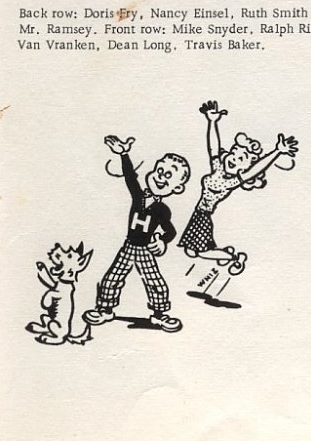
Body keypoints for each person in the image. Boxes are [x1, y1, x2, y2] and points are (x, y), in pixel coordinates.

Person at [83, 135, 190, 333]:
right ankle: (105, 309)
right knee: (112, 278)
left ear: (177, 187)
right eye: (160, 171)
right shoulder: (139, 197)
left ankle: (160, 315)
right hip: (129, 246)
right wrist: (124, 154)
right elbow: (130, 178)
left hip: (145, 250)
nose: (161, 177)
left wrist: (163, 242)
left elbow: (171, 231)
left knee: (155, 283)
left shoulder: (162, 210)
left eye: (168, 176)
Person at [178, 101, 298, 276]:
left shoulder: (231, 182)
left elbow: (256, 170)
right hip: (197, 214)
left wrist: (277, 151)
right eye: (234, 152)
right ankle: (225, 254)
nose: (234, 157)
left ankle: (233, 259)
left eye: (241, 158)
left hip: (202, 216)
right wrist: (212, 121)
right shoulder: (218, 168)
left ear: (244, 168)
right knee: (191, 250)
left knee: (198, 252)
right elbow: (213, 147)